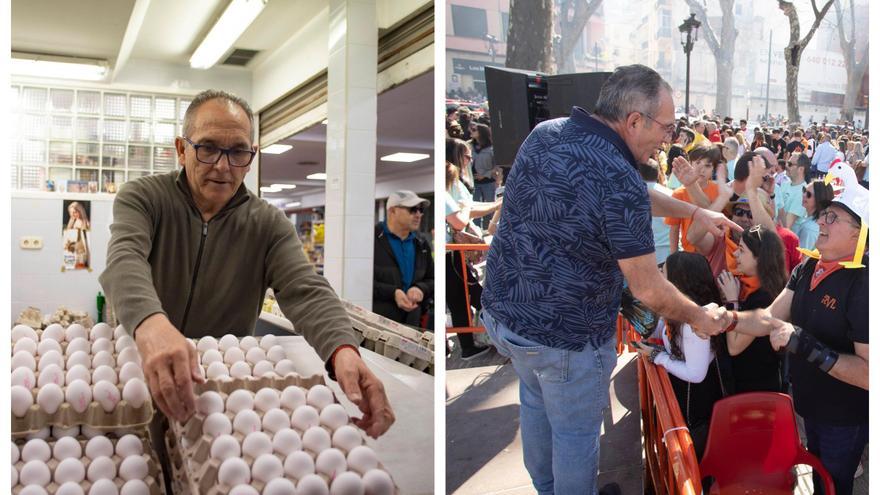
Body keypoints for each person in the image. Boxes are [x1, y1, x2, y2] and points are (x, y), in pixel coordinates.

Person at [481, 65, 737, 494]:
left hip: (505, 317)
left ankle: (544, 487)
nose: (667, 141)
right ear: (635, 120)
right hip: (566, 338)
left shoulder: (547, 132)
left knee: (535, 402)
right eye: (667, 128)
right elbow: (647, 288)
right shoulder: (618, 178)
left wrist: (693, 211)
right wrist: (698, 316)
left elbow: (631, 196)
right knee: (575, 437)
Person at [99, 90, 394, 437]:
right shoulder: (145, 198)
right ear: (182, 149)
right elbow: (124, 260)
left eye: (238, 151)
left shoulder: (267, 224)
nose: (223, 166)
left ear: (251, 156)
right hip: (141, 369)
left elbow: (306, 290)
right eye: (207, 148)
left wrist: (343, 349)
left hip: (218, 391)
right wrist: (152, 326)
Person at [728, 180, 868, 495]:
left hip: (844, 418)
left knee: (833, 486)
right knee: (819, 481)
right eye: (823, 214)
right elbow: (770, 317)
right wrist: (727, 319)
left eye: (832, 217)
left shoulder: (864, 285)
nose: (820, 220)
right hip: (809, 407)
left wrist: (803, 343)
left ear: (859, 233)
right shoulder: (807, 265)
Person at [633, 252, 727, 458]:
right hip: (685, 390)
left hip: (696, 402)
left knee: (695, 456)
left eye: (664, 271)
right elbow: (663, 331)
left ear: (678, 281)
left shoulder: (694, 322)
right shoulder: (679, 310)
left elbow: (696, 374)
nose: (659, 274)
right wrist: (637, 317)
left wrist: (657, 356)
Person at [716, 225, 787, 393]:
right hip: (746, 382)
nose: (735, 254)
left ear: (759, 257)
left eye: (741, 250)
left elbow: (734, 347)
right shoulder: (751, 286)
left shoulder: (764, 296)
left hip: (756, 389)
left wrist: (732, 302)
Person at [373, 191, 433, 327]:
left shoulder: (421, 244)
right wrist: (393, 293)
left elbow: (432, 279)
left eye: (420, 210)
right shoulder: (371, 240)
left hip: (412, 323)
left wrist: (420, 288)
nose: (418, 214)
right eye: (412, 209)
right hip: (378, 325)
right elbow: (360, 282)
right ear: (392, 211)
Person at [470, 123, 497, 228]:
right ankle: (476, 229)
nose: (471, 131)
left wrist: (485, 175)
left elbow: (497, 166)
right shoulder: (469, 146)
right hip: (473, 182)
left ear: (481, 133)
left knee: (490, 206)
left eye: (474, 130)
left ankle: (489, 228)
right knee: (474, 207)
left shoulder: (491, 148)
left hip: (488, 181)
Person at [776, 152, 809, 229]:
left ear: (801, 169)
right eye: (787, 163)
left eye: (790, 164)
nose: (786, 166)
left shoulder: (803, 193)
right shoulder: (785, 184)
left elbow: (786, 225)